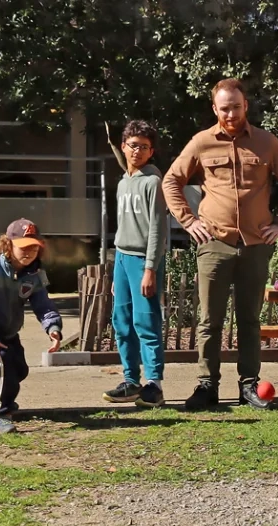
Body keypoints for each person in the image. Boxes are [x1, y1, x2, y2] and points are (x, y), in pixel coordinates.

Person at [163, 78, 278, 411]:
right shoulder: (201, 142)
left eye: (236, 107)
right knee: (209, 320)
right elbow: (172, 180)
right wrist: (189, 221)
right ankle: (207, 386)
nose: (231, 114)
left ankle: (249, 385)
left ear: (246, 106)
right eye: (225, 108)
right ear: (215, 109)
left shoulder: (266, 142)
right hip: (214, 242)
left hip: (255, 243)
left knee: (249, 320)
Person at [0, 220, 62, 434]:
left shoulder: (34, 273)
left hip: (9, 329)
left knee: (19, 370)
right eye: (23, 247)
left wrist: (53, 327)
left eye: (34, 248)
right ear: (8, 245)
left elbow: (43, 305)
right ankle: (1, 414)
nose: (29, 253)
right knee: (4, 365)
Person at [106, 120, 167, 407]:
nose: (137, 151)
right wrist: (115, 271)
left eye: (144, 147)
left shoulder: (153, 182)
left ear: (151, 151)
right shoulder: (123, 182)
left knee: (146, 321)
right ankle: (131, 381)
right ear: (123, 147)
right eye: (133, 146)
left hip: (144, 261)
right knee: (121, 322)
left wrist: (150, 269)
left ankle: (154, 384)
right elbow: (122, 228)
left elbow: (158, 228)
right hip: (122, 258)